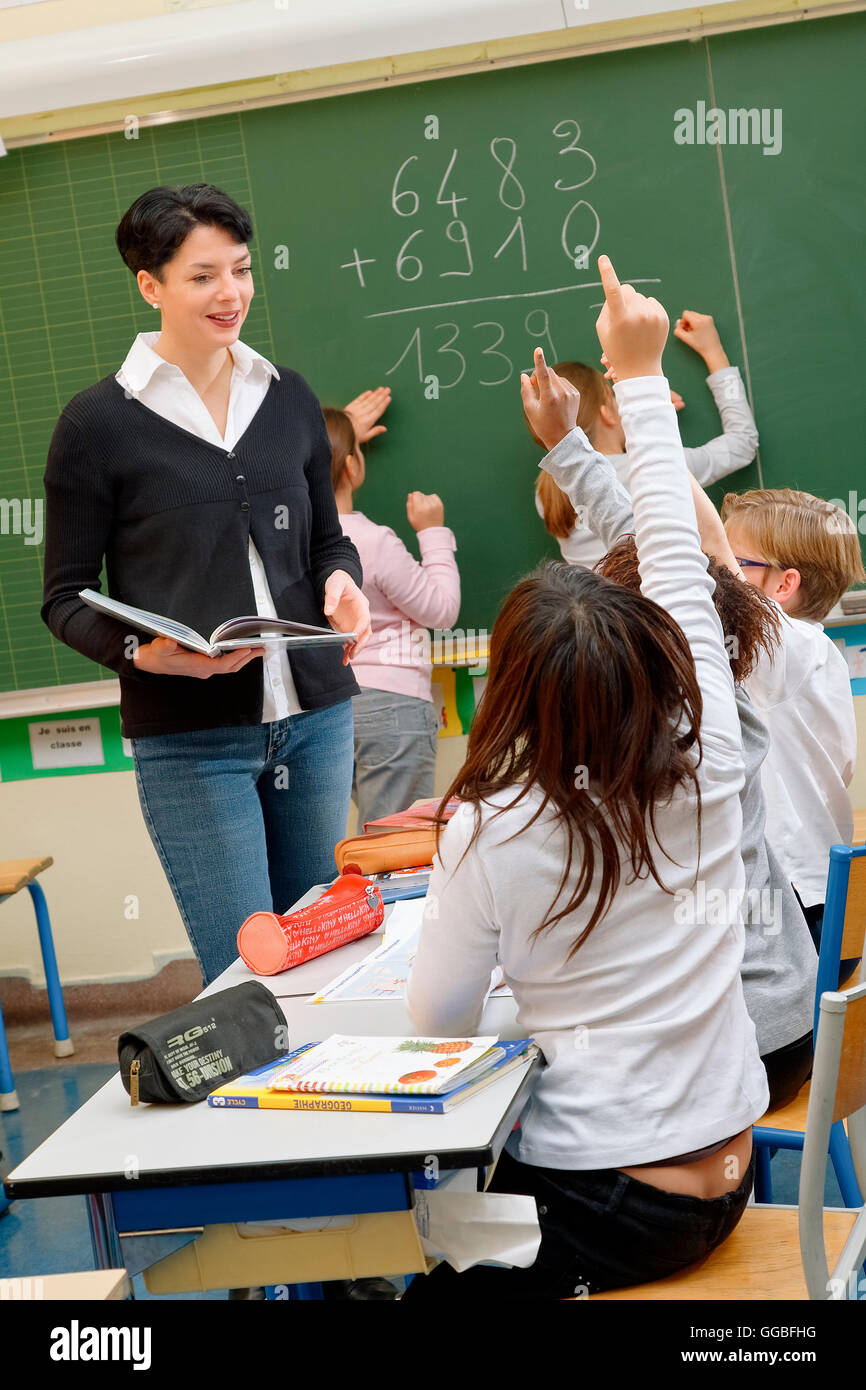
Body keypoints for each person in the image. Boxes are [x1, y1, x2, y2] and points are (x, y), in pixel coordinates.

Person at [403, 257, 768, 1300]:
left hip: (605, 1214)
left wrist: (532, 992)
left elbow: (438, 1025)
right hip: (726, 1176)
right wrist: (639, 376)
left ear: (508, 691)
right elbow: (668, 543)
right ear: (656, 661)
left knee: (420, 1224)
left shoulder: (492, 824)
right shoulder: (705, 758)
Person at [41, 183, 370, 985]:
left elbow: (328, 541)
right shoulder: (98, 426)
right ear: (150, 285)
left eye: (242, 270)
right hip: (193, 743)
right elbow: (64, 596)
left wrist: (343, 584)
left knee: (324, 963)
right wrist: (144, 655)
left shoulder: (286, 396)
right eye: (202, 276)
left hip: (316, 723)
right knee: (248, 978)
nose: (231, 294)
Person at [538, 402, 818, 1111]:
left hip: (731, 1049)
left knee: (554, 1087)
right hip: (795, 1022)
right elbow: (660, 551)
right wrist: (568, 443)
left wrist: (589, 434)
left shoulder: (636, 752)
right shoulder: (728, 697)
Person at [718, 488, 862, 952]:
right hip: (811, 890)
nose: (714, 572)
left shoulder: (792, 645)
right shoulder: (792, 654)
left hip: (800, 901)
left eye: (730, 562)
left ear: (783, 586)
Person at [534, 308, 759, 569]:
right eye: (613, 396)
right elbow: (742, 444)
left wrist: (645, 423)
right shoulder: (654, 468)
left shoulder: (545, 493)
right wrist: (713, 352)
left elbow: (602, 484)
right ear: (606, 413)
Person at [325, 403, 460, 827]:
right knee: (393, 844)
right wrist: (432, 532)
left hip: (328, 707)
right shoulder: (374, 541)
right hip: (392, 702)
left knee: (373, 834)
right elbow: (440, 611)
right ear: (352, 467)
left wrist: (332, 441)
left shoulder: (290, 544)